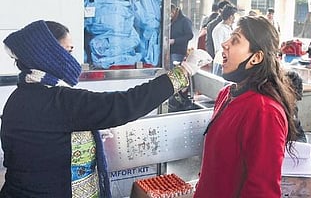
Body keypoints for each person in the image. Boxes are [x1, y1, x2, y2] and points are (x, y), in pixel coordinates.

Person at [0, 20, 211, 197]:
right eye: (67, 51)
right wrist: (184, 71)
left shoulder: (20, 97)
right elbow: (124, 104)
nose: (71, 59)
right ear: (49, 54)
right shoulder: (57, 101)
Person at [193, 16, 298, 197]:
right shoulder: (226, 94)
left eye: (235, 41)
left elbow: (262, 190)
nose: (225, 44)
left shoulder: (265, 112)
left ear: (256, 57)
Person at [212, 5, 237, 76]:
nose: (235, 18)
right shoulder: (219, 29)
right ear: (231, 17)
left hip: (228, 61)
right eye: (234, 15)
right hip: (220, 62)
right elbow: (219, 49)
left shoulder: (229, 28)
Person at [170, 4, 194, 68]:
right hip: (168, 51)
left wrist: (175, 41)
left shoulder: (185, 21)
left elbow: (189, 35)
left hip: (178, 51)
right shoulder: (169, 21)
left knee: (175, 70)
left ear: (173, 11)